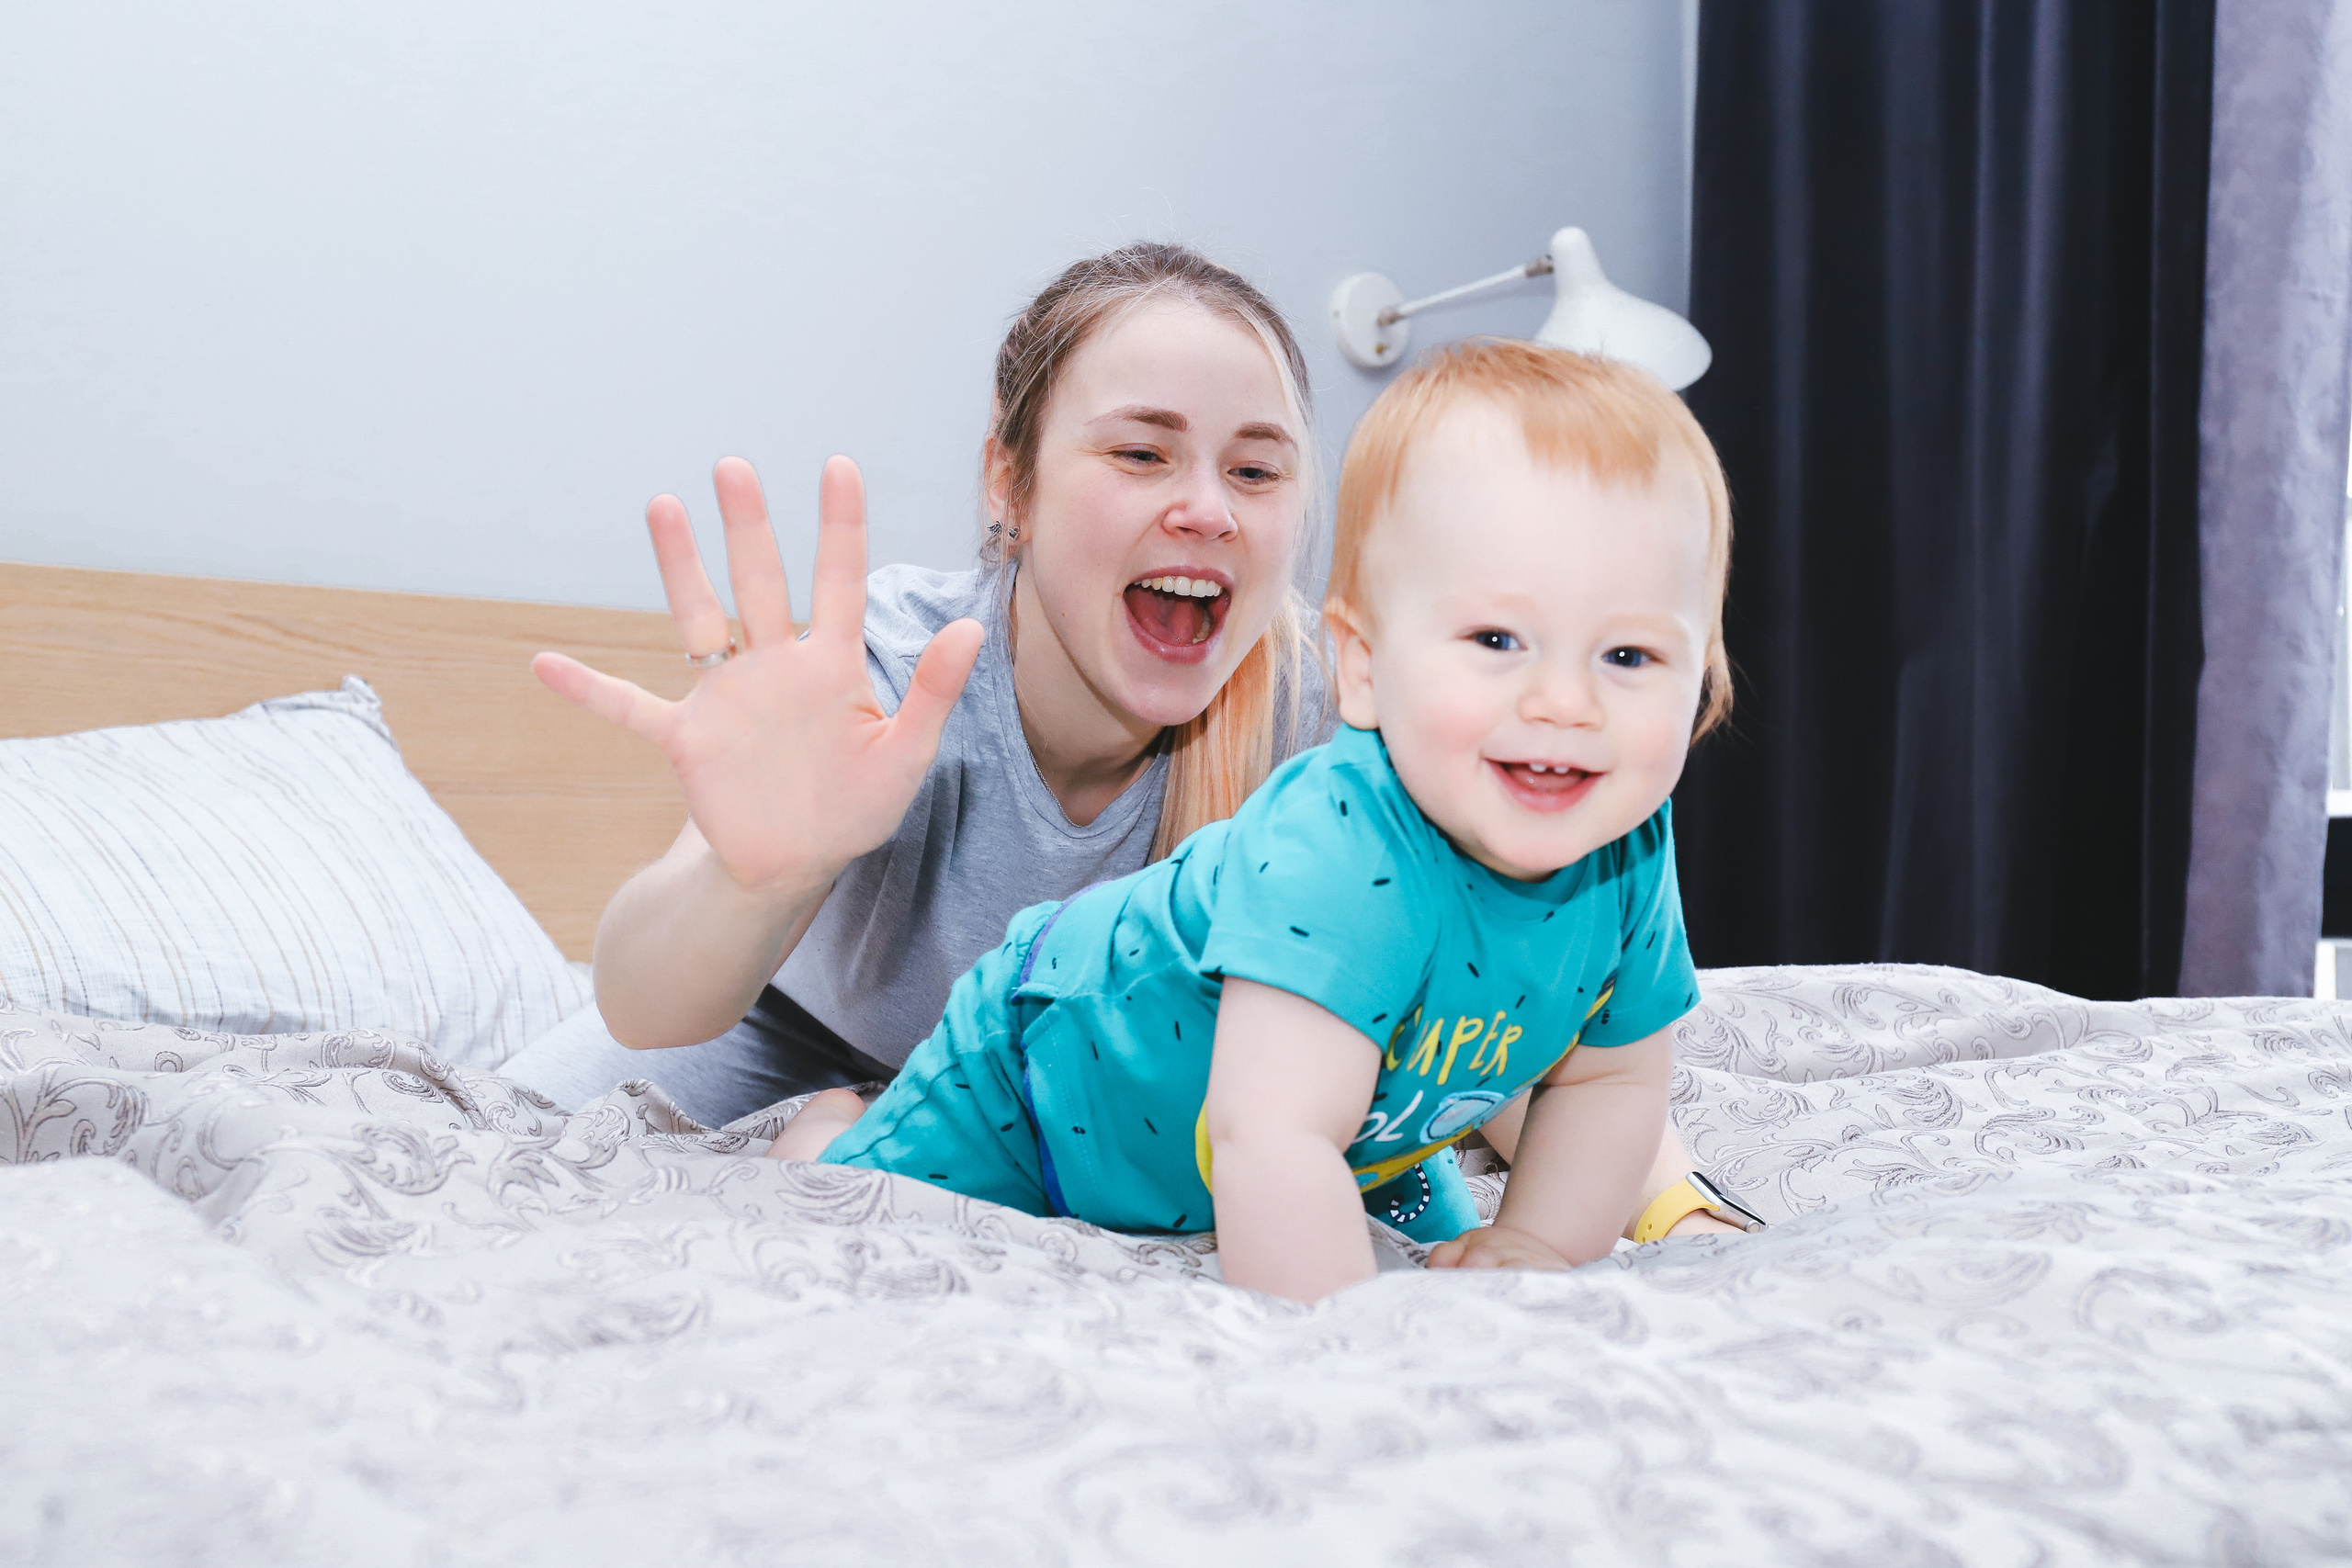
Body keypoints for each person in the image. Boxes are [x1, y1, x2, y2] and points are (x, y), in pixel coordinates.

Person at [509, 242, 1744, 1246]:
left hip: (1099, 1101)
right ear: (1012, 481)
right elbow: (641, 998)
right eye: (1141, 451)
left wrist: (1671, 1202)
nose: (1204, 505)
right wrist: (758, 868)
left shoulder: (1361, 706)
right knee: (520, 1165)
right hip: (789, 1036)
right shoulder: (891, 667)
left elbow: (1521, 1006)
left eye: (1256, 469)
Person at [766, 341, 1747, 1301]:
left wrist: (1536, 1240)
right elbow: (1269, 1136)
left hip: (1361, 1132)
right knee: (861, 1207)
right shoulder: (1339, 850)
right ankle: (834, 1120)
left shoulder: (1621, 842)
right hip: (1040, 1089)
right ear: (1359, 665)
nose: (1566, 704)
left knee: (1441, 1247)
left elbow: (1606, 1083)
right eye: (1498, 639)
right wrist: (1345, 1353)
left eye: (1628, 657)